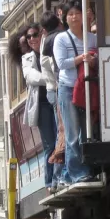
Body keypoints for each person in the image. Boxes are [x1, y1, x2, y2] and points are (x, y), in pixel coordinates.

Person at [53, 0, 97, 184]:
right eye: (70, 14)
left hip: (87, 87)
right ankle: (76, 173)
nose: (73, 17)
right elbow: (62, 63)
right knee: (72, 133)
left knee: (87, 131)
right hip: (67, 88)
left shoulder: (92, 38)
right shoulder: (61, 39)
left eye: (76, 13)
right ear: (65, 18)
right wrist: (81, 58)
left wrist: (92, 61)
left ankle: (84, 169)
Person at [20, 23, 58, 192]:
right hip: (42, 104)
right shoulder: (27, 58)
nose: (32, 39)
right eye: (29, 37)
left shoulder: (50, 48)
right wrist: (49, 78)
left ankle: (60, 176)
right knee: (49, 143)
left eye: (35, 35)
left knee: (60, 139)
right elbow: (31, 77)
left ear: (41, 34)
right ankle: (50, 181)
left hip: (56, 99)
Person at [40, 11, 66, 189]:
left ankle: (55, 178)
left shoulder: (47, 41)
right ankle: (57, 177)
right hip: (57, 88)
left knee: (60, 133)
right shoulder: (57, 40)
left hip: (55, 88)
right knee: (62, 132)